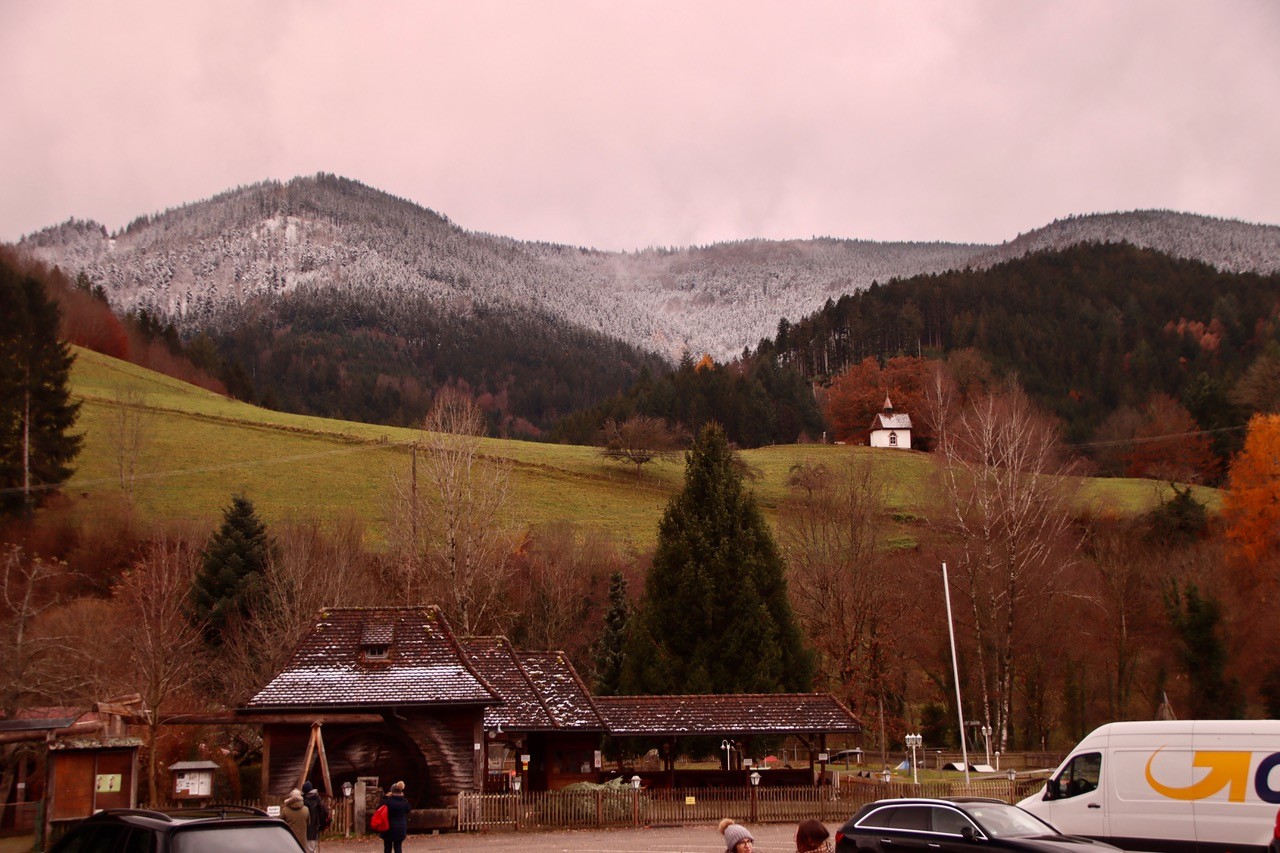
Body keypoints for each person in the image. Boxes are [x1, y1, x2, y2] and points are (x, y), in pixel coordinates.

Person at [379, 780, 411, 853]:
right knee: (398, 847)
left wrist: (385, 797)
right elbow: (408, 809)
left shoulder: (387, 801)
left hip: (387, 828)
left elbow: (378, 808)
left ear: (391, 791)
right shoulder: (404, 801)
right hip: (400, 828)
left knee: (387, 847)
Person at [302, 781, 328, 852]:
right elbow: (323, 813)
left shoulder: (305, 801)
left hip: (308, 828)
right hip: (315, 828)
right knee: (312, 848)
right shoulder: (317, 799)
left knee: (307, 849)